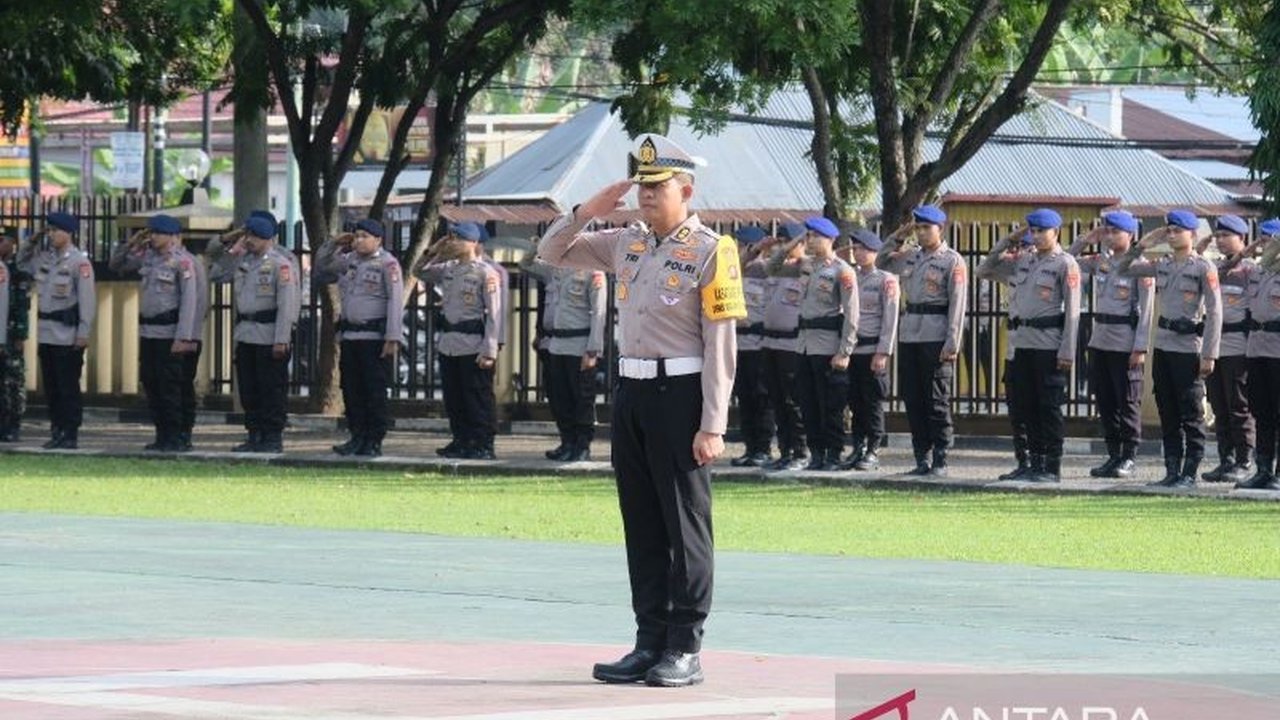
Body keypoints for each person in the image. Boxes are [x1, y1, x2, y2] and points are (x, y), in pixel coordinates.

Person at [537, 134, 744, 687]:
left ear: (686, 190)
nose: (647, 198)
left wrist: (713, 424)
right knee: (643, 525)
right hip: (631, 394)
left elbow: (721, 344)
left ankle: (685, 646)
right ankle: (648, 640)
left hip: (680, 397)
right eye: (642, 188)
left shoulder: (711, 250)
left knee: (685, 526)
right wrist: (588, 209)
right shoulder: (623, 241)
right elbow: (549, 253)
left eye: (658, 188)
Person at [1115, 209, 1222, 488]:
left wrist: (1209, 354)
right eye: (1169, 230)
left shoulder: (1203, 267)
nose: (1172, 235)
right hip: (1163, 346)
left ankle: (1189, 472)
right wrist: (1142, 244)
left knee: (1190, 412)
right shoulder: (1162, 264)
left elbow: (1215, 311)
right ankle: (1172, 469)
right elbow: (1121, 268)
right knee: (1168, 410)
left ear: (1192, 234)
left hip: (1188, 348)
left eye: (1177, 230)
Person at [978, 209, 1081, 483]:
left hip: (1048, 345)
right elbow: (985, 268)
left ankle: (1051, 466)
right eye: (1032, 231)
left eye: (1040, 231)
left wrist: (1067, 351)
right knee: (1027, 407)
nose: (1035, 236)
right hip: (1022, 345)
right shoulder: (1024, 260)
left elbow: (1072, 312)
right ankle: (1034, 463)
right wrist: (1009, 240)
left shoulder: (1065, 264)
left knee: (1048, 408)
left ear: (1055, 232)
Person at [875, 205, 968, 476]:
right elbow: (881, 262)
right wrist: (898, 236)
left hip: (936, 334)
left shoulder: (952, 260)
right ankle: (921, 457)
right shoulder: (911, 256)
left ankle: (940, 457)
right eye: (919, 227)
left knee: (936, 398)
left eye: (927, 227)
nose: (922, 232)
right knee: (913, 398)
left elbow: (957, 304)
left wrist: (952, 342)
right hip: (910, 333)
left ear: (941, 229)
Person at [1067, 211, 1154, 479]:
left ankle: (1129, 456)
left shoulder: (1140, 266)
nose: (1110, 236)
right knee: (1105, 401)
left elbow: (1147, 311)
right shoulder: (1100, 261)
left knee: (1127, 401)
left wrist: (1139, 348)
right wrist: (1085, 239)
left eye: (1116, 231)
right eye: (1107, 231)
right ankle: (1113, 454)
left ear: (1130, 235)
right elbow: (1066, 262)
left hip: (1125, 342)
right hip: (1100, 339)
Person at [768, 217, 858, 470]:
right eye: (809, 236)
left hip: (827, 344)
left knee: (830, 404)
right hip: (804, 344)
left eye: (816, 236)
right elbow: (772, 268)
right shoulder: (806, 265)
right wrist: (792, 244)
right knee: (807, 402)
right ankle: (816, 453)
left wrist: (845, 351)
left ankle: (833, 454)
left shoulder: (842, 270)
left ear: (830, 240)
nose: (811, 241)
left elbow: (852, 314)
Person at [207, 214, 301, 453]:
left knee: (271, 389)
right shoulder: (242, 261)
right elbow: (215, 274)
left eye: (254, 237)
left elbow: (287, 304)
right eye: (247, 235)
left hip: (269, 335)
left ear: (266, 239)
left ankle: (272, 437)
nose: (249, 241)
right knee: (249, 389)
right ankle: (254, 434)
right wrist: (232, 245)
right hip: (246, 333)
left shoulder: (281, 264)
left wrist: (282, 339)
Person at [108, 214, 201, 452]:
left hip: (170, 334)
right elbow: (116, 265)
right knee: (152, 385)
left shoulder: (183, 263)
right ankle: (162, 435)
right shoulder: (148, 258)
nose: (153, 236)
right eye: (151, 232)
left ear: (171, 236)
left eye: (158, 233)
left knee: (172, 388)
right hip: (149, 332)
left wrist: (183, 337)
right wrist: (130, 243)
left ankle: (179, 435)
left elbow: (189, 303)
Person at [314, 218, 404, 458]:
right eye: (356, 236)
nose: (359, 240)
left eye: (365, 236)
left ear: (378, 240)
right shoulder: (348, 261)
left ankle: (373, 439)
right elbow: (321, 268)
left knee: (373, 391)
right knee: (352, 390)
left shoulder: (388, 264)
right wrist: (333, 243)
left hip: (374, 338)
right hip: (350, 336)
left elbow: (396, 302)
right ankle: (357, 436)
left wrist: (393, 337)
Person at [413, 222, 501, 460]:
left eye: (458, 239)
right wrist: (433, 250)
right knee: (454, 397)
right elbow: (418, 272)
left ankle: (483, 443)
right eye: (451, 238)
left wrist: (490, 350)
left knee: (477, 397)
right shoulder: (448, 269)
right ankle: (461, 439)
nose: (453, 242)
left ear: (472, 242)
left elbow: (494, 314)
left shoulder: (485, 273)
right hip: (449, 343)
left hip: (473, 343)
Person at [520, 237, 607, 461]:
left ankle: (582, 446)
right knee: (560, 398)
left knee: (581, 399)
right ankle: (567, 442)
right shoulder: (555, 269)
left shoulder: (594, 272)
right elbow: (526, 265)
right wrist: (539, 245)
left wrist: (593, 350)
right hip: (556, 344)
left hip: (579, 345)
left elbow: (598, 314)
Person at [18, 212, 95, 449]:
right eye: (49, 231)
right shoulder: (46, 259)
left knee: (67, 388)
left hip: (67, 335)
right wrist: (32, 240)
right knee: (51, 387)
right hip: (47, 333)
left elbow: (87, 301)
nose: (51, 235)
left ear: (68, 233)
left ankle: (69, 433)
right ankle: (57, 430)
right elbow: (21, 262)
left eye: (55, 231)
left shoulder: (79, 263)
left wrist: (83, 334)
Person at [1194, 215, 1256, 483]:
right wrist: (1200, 245)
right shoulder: (1214, 267)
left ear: (1241, 239)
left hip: (1238, 346)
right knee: (1219, 405)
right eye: (1217, 236)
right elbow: (1192, 264)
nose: (1219, 241)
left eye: (1225, 236)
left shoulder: (1251, 270)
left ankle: (1244, 461)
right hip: (1214, 345)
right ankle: (1226, 460)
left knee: (1238, 406)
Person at [839, 227, 898, 471]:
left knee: (871, 402)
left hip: (873, 348)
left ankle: (873, 449)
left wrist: (883, 351)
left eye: (863, 249)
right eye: (855, 249)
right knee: (855, 402)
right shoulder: (850, 276)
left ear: (875, 251)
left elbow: (890, 318)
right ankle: (858, 446)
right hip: (853, 350)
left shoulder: (886, 279)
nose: (858, 253)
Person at [759, 222, 809, 471]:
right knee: (777, 399)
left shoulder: (807, 268)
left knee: (793, 400)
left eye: (789, 242)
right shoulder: (779, 269)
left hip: (791, 343)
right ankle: (786, 450)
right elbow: (770, 264)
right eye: (781, 242)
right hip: (770, 342)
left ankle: (801, 450)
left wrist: (799, 245)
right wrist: (786, 247)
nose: (783, 247)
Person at [729, 225, 776, 467]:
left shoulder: (768, 270)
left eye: (743, 244)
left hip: (759, 343)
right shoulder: (736, 271)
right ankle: (750, 446)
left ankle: (763, 447)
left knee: (761, 397)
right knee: (744, 397)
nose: (738, 248)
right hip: (739, 343)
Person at [1239, 218, 1280, 490]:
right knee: (1262, 412)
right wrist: (1246, 251)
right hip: (1256, 348)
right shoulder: (1256, 271)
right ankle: (1263, 469)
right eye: (1263, 238)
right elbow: (1223, 269)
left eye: (1271, 239)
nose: (1265, 243)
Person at [0, 228, 30, 442]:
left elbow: (21, 305)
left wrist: (20, 334)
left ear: (12, 243)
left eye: (2, 240)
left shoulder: (18, 271)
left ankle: (14, 424)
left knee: (13, 381)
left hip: (11, 333)